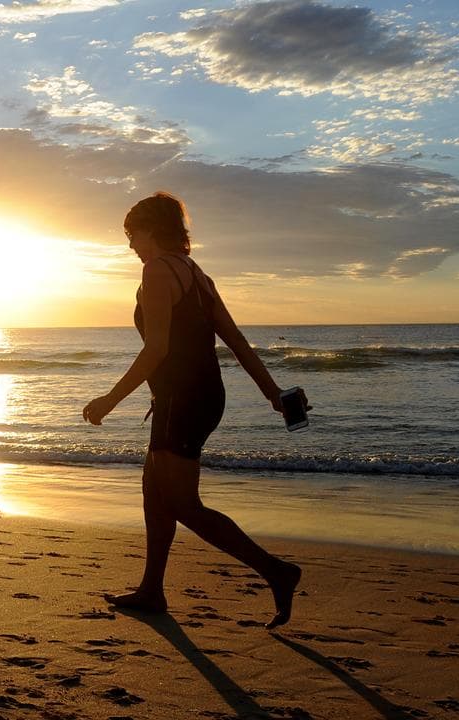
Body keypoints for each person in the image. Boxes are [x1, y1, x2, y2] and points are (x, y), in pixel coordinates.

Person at [83, 192, 308, 630]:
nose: (130, 244)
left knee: (183, 504)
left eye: (133, 234)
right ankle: (151, 589)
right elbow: (236, 341)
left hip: (180, 400)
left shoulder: (157, 271)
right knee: (155, 493)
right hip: (202, 396)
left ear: (153, 230)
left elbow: (156, 349)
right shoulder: (197, 274)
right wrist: (273, 394)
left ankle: (277, 571)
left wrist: (110, 400)